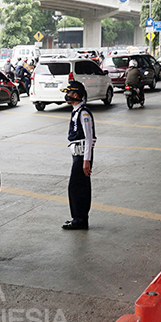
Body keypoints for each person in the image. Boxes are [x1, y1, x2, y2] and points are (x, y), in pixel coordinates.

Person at [62, 81, 95, 230]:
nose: (66, 96)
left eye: (68, 93)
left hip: (82, 155)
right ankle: (79, 218)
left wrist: (86, 160)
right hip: (78, 155)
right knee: (78, 187)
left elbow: (88, 138)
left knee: (77, 188)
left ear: (75, 95)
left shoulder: (84, 113)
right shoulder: (76, 111)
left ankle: (80, 219)